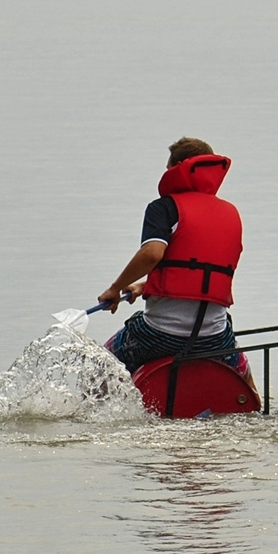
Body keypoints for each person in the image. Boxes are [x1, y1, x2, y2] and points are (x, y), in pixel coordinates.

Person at [98, 136, 253, 384]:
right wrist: (146, 285)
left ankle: (94, 417)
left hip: (160, 335)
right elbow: (199, 275)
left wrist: (115, 289)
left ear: (177, 167)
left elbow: (152, 253)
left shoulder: (163, 208)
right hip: (214, 336)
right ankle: (251, 399)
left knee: (102, 361)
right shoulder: (230, 213)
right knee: (239, 358)